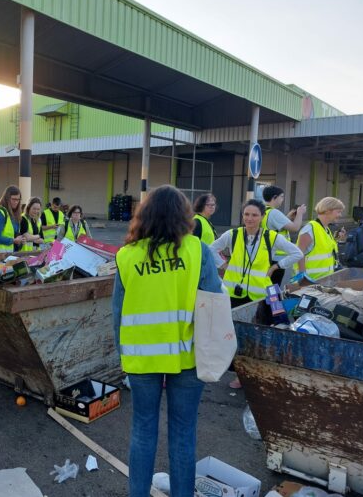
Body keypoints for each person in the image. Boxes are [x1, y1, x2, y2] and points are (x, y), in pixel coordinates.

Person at [112, 185, 222, 497]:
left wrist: (124, 356)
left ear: (144, 215)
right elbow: (212, 304)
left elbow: (117, 314)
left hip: (141, 358)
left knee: (143, 430)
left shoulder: (126, 256)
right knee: (183, 433)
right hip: (189, 357)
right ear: (184, 216)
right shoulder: (197, 250)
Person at [210, 199, 302, 309]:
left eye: (254, 215)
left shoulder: (271, 237)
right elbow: (211, 249)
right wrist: (223, 265)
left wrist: (275, 266)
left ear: (262, 216)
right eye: (246, 214)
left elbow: (297, 253)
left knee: (268, 321)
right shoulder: (232, 234)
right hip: (233, 292)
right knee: (232, 324)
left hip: (262, 294)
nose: (249, 218)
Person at [261, 185, 306, 285]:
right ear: (274, 197)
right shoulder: (274, 213)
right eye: (281, 197)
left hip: (269, 254)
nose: (282, 199)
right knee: (274, 286)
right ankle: (273, 301)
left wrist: (287, 217)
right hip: (277, 258)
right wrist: (300, 213)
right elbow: (295, 227)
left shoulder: (265, 211)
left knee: (268, 286)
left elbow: (275, 228)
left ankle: (268, 301)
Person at [295, 197, 345, 281]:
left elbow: (322, 248)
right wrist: (303, 278)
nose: (340, 215)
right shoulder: (310, 229)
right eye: (338, 212)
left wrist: (336, 239)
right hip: (311, 282)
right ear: (328, 211)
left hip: (323, 280)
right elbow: (299, 254)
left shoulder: (325, 228)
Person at [0, 185, 24, 253]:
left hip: (8, 254)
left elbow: (13, 235)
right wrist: (13, 240)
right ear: (7, 198)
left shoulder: (15, 215)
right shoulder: (0, 213)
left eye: (18, 199)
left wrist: (20, 240)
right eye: (14, 199)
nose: (16, 202)